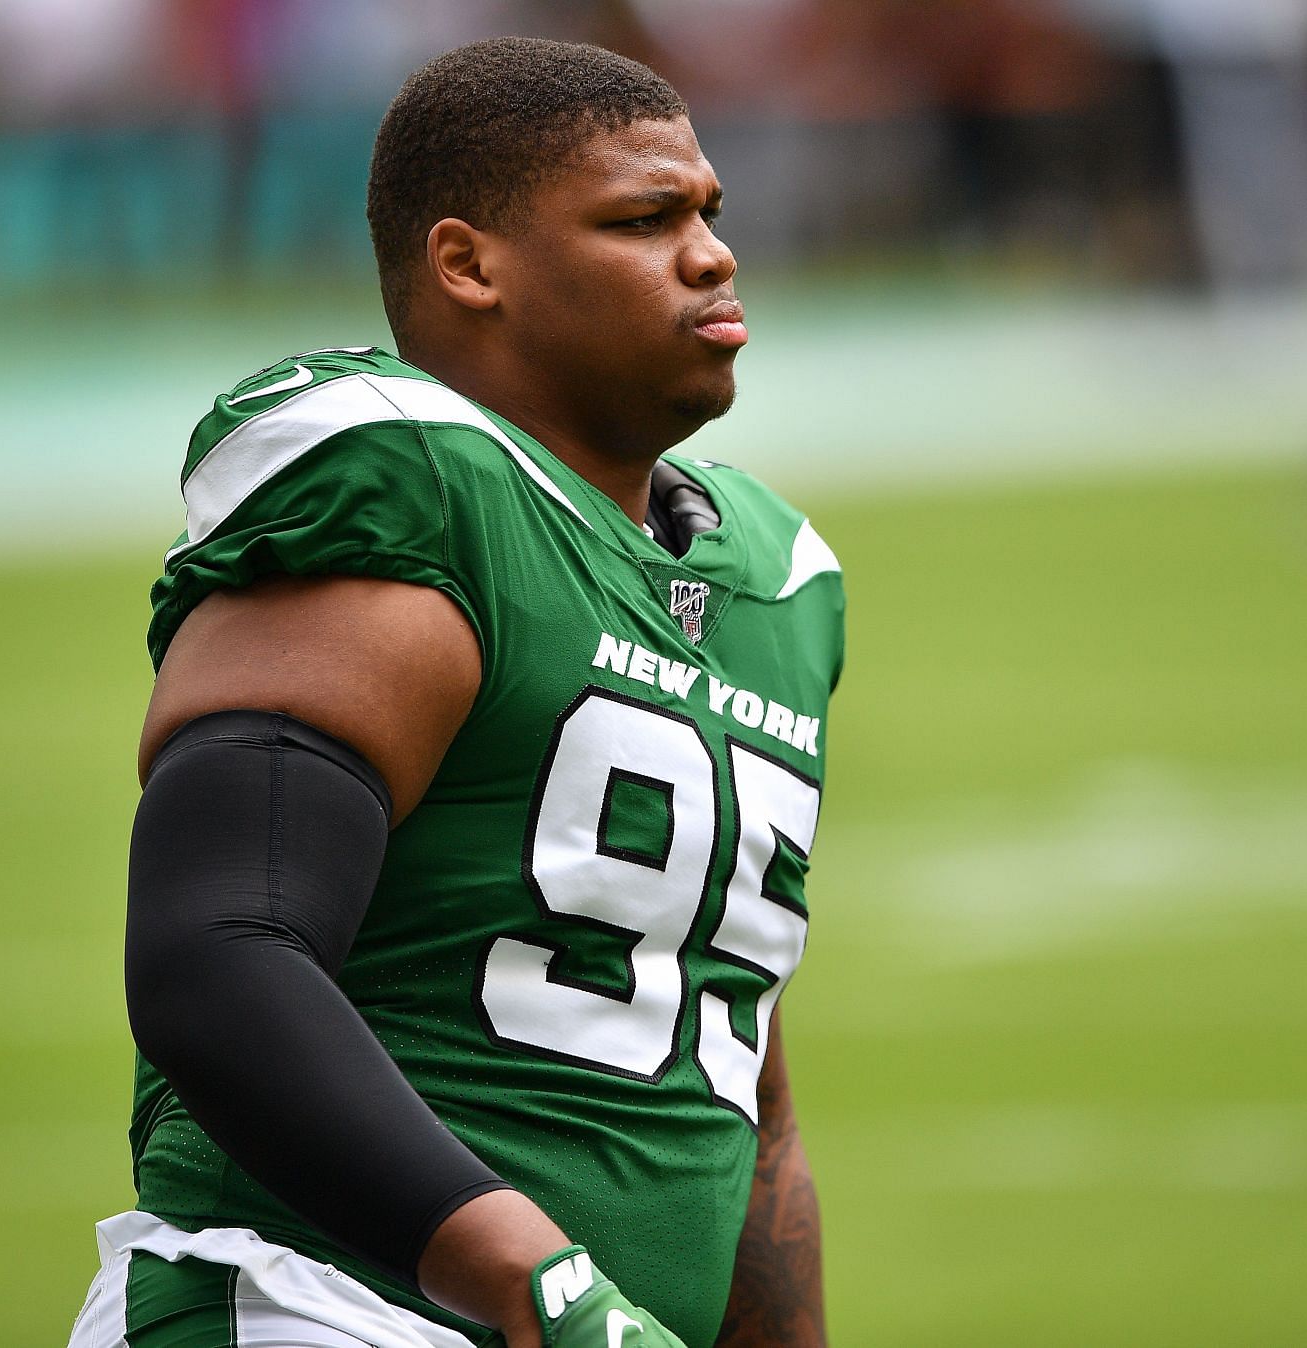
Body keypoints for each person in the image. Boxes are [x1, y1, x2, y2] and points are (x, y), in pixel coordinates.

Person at [69, 37, 845, 1348]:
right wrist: (545, 1288)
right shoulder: (407, 482)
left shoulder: (777, 584)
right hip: (315, 1309)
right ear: (469, 263)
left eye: (709, 213)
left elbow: (735, 1089)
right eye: (643, 220)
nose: (709, 255)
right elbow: (221, 955)